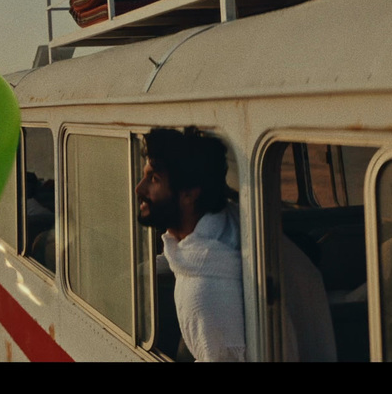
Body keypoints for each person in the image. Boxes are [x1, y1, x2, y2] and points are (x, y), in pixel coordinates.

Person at [137, 127, 335, 362]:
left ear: (189, 194)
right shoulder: (229, 223)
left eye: (154, 180)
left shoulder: (206, 294)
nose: (140, 188)